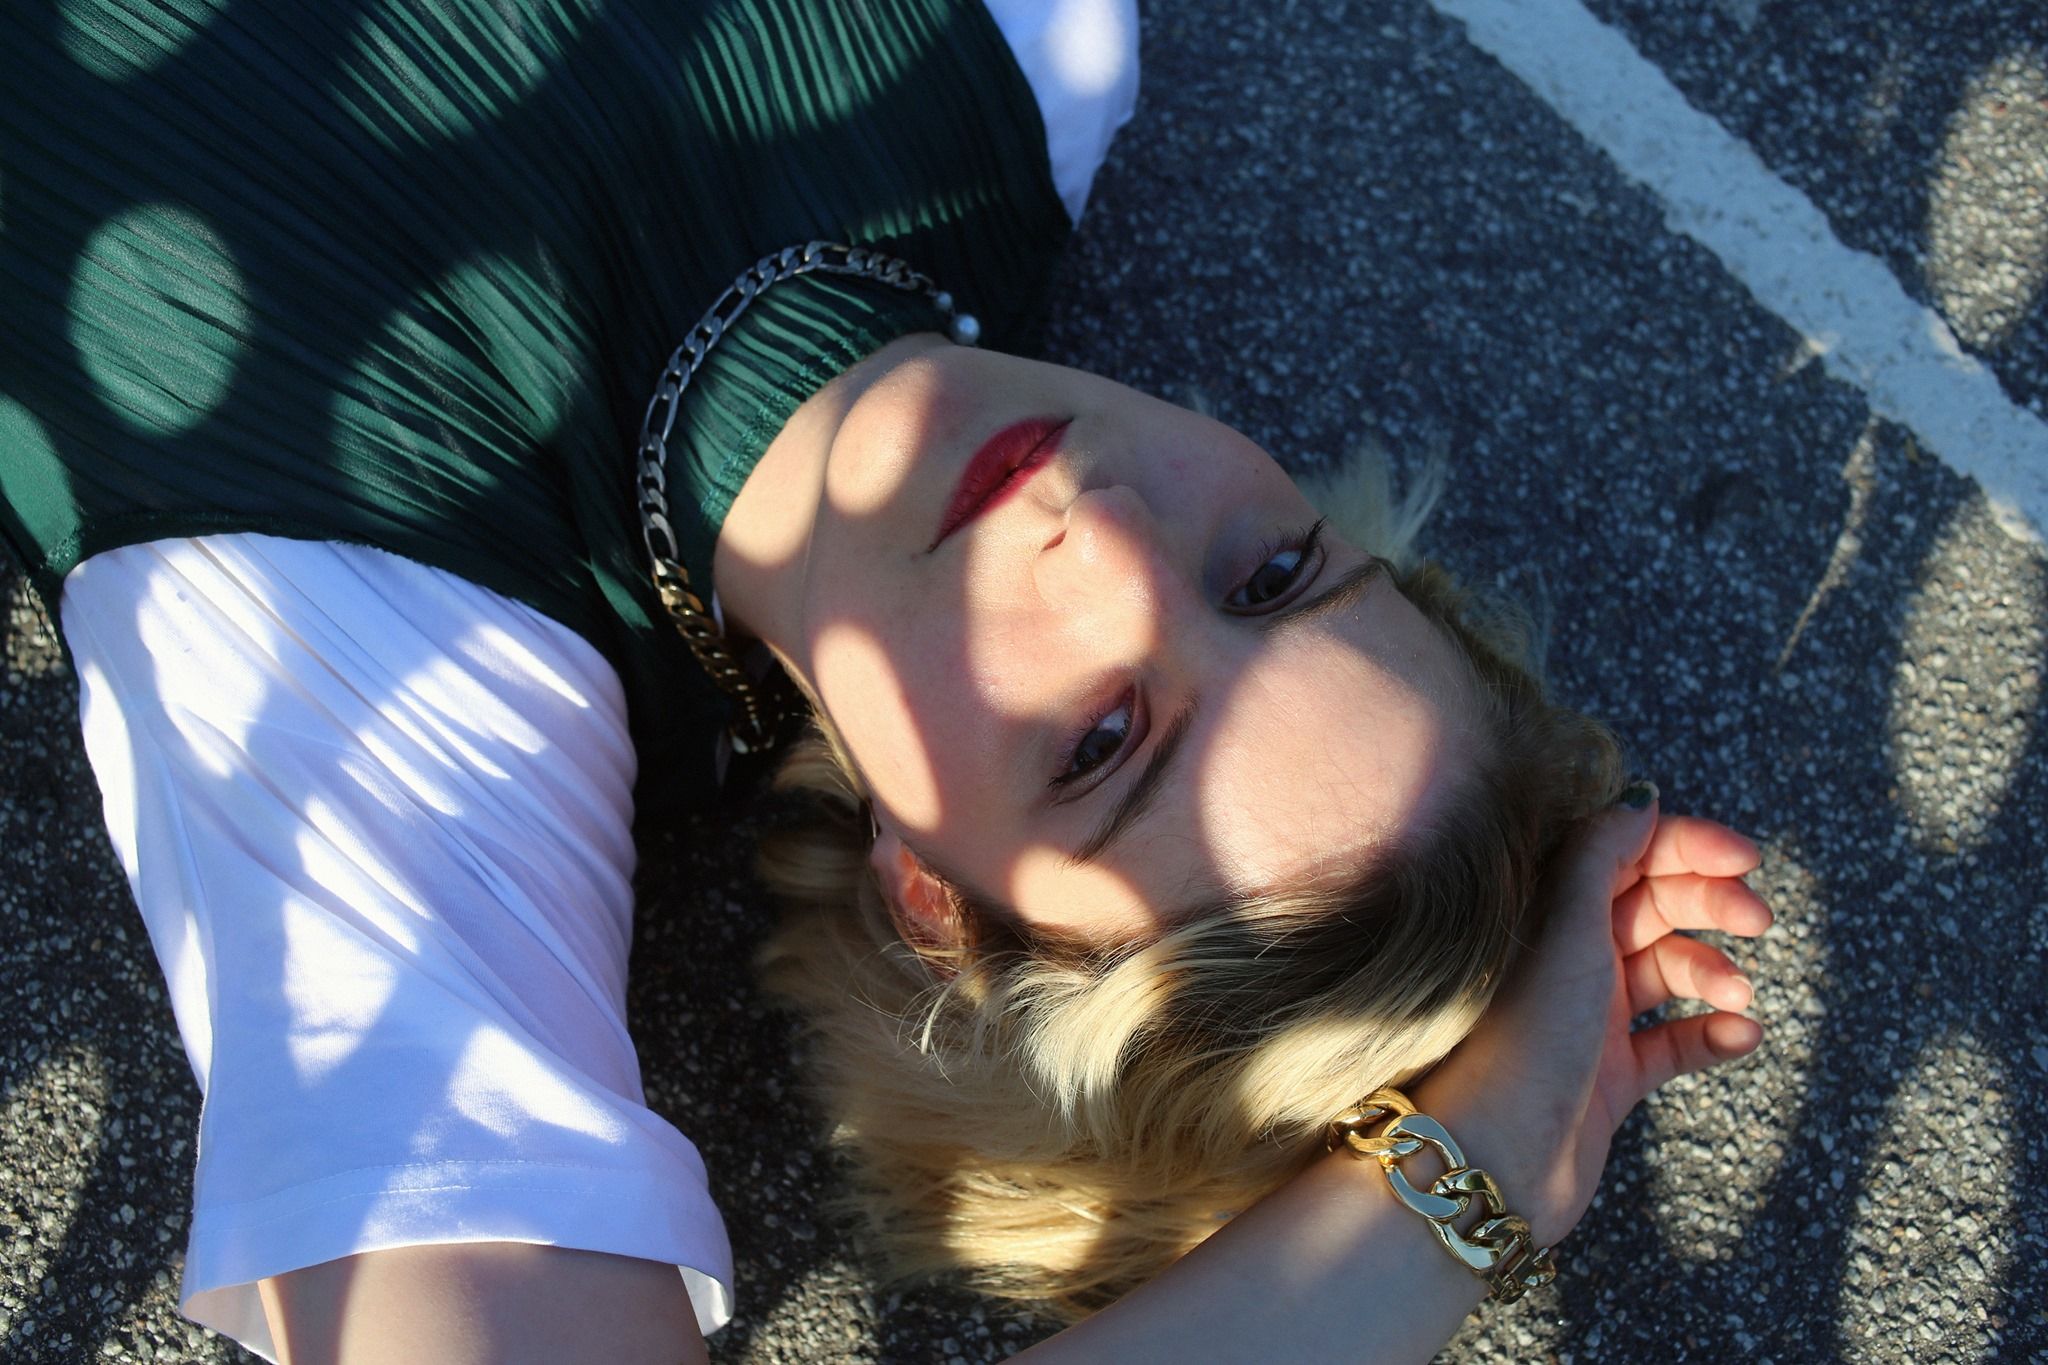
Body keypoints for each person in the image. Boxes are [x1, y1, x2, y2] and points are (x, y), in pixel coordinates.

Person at [0, 1, 1770, 1360]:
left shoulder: (398, 661)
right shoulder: (1034, 55)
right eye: (1271, 573)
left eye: (1103, 741)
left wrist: (1476, 1174)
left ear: (935, 902)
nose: (1112, 533)